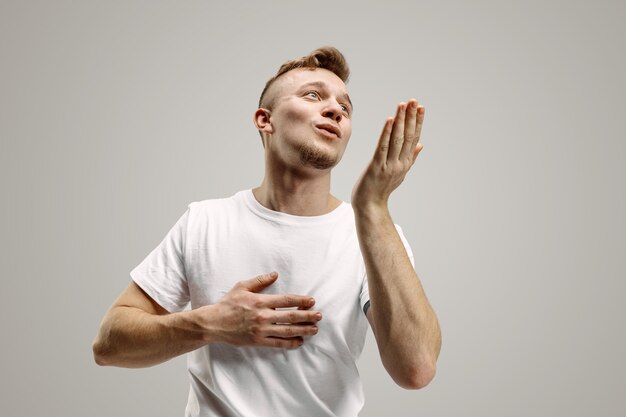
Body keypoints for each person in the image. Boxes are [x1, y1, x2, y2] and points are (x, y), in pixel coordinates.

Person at [92, 46, 441, 417]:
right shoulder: (205, 221)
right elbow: (109, 344)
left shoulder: (375, 234)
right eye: (313, 95)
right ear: (265, 119)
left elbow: (416, 369)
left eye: (346, 107)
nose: (336, 109)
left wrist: (374, 208)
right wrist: (210, 323)